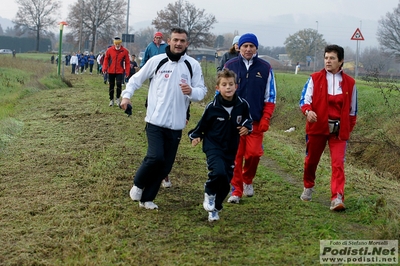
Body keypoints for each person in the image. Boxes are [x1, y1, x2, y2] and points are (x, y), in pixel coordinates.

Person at [120, 27, 207, 210]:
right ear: (169, 41)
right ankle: (138, 183)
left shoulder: (192, 65)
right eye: (175, 40)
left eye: (182, 41)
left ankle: (147, 199)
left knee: (165, 167)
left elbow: (201, 92)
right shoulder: (157, 61)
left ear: (187, 44)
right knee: (155, 157)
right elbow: (136, 79)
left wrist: (191, 91)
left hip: (176, 125)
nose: (178, 44)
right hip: (155, 121)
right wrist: (126, 96)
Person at [188, 69, 252, 221]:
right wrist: (195, 136)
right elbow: (201, 126)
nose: (228, 87)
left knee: (225, 183)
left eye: (231, 84)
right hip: (213, 146)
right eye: (224, 84)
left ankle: (215, 208)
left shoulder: (242, 105)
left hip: (231, 148)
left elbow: (248, 120)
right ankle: (209, 192)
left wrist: (246, 127)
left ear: (236, 86)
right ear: (218, 88)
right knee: (218, 172)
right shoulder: (212, 107)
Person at [299, 44, 358, 211]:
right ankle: (308, 186)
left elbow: (353, 111)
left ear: (341, 61)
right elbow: (304, 100)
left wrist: (347, 128)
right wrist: (308, 111)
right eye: (326, 58)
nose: (328, 61)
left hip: (338, 132)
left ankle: (337, 197)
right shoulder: (314, 78)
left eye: (332, 58)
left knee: (338, 163)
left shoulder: (350, 83)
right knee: (311, 161)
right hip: (317, 127)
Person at [224, 33, 276, 204]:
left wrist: (266, 118)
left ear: (256, 49)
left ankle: (247, 179)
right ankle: (236, 191)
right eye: (245, 46)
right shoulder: (230, 65)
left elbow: (270, 97)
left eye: (251, 46)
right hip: (234, 122)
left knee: (253, 154)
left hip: (255, 122)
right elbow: (222, 93)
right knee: (236, 157)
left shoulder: (265, 68)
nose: (248, 49)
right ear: (239, 47)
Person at [103, 37, 130, 107]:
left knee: (119, 85)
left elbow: (127, 62)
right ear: (114, 43)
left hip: (120, 71)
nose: (117, 45)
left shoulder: (125, 51)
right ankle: (111, 99)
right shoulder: (109, 50)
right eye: (116, 44)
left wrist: (127, 71)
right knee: (111, 86)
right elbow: (106, 60)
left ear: (121, 43)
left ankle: (118, 98)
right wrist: (104, 68)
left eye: (119, 44)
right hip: (111, 71)